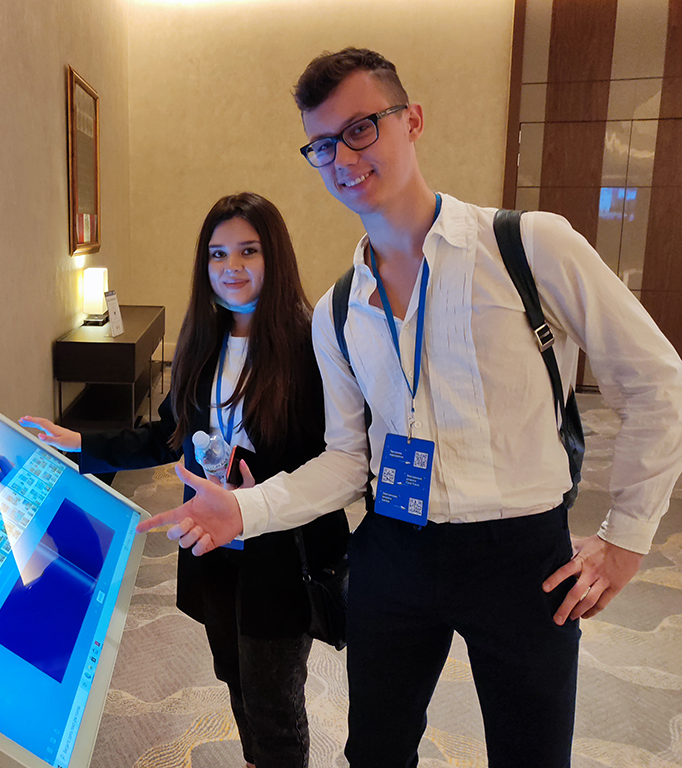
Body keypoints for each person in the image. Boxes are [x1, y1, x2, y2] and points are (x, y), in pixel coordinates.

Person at [138, 48, 682, 767]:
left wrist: (627, 539)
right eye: (322, 145)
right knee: (376, 752)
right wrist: (247, 510)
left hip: (520, 554)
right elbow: (346, 459)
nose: (343, 158)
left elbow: (655, 380)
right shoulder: (338, 310)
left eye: (360, 128)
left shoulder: (527, 246)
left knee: (531, 754)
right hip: (395, 548)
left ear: (412, 120)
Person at [21, 192, 348, 768]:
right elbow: (168, 434)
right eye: (218, 254)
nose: (231, 267)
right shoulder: (203, 342)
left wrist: (258, 496)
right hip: (211, 547)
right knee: (235, 675)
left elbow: (336, 458)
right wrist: (82, 443)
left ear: (275, 257)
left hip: (279, 553)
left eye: (248, 251)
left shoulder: (311, 346)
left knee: (274, 699)